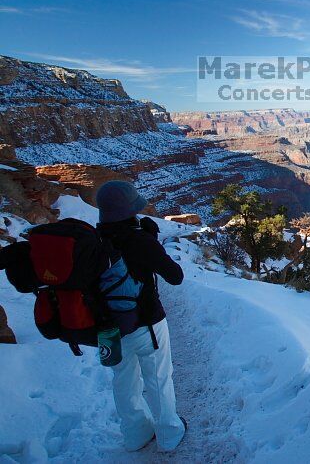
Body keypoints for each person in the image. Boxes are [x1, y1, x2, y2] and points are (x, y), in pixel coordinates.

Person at [95, 181, 186, 452]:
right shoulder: (139, 240)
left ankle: (135, 435)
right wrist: (152, 243)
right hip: (146, 324)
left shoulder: (94, 242)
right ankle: (170, 434)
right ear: (129, 210)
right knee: (157, 377)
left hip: (107, 327)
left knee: (123, 380)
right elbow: (175, 276)